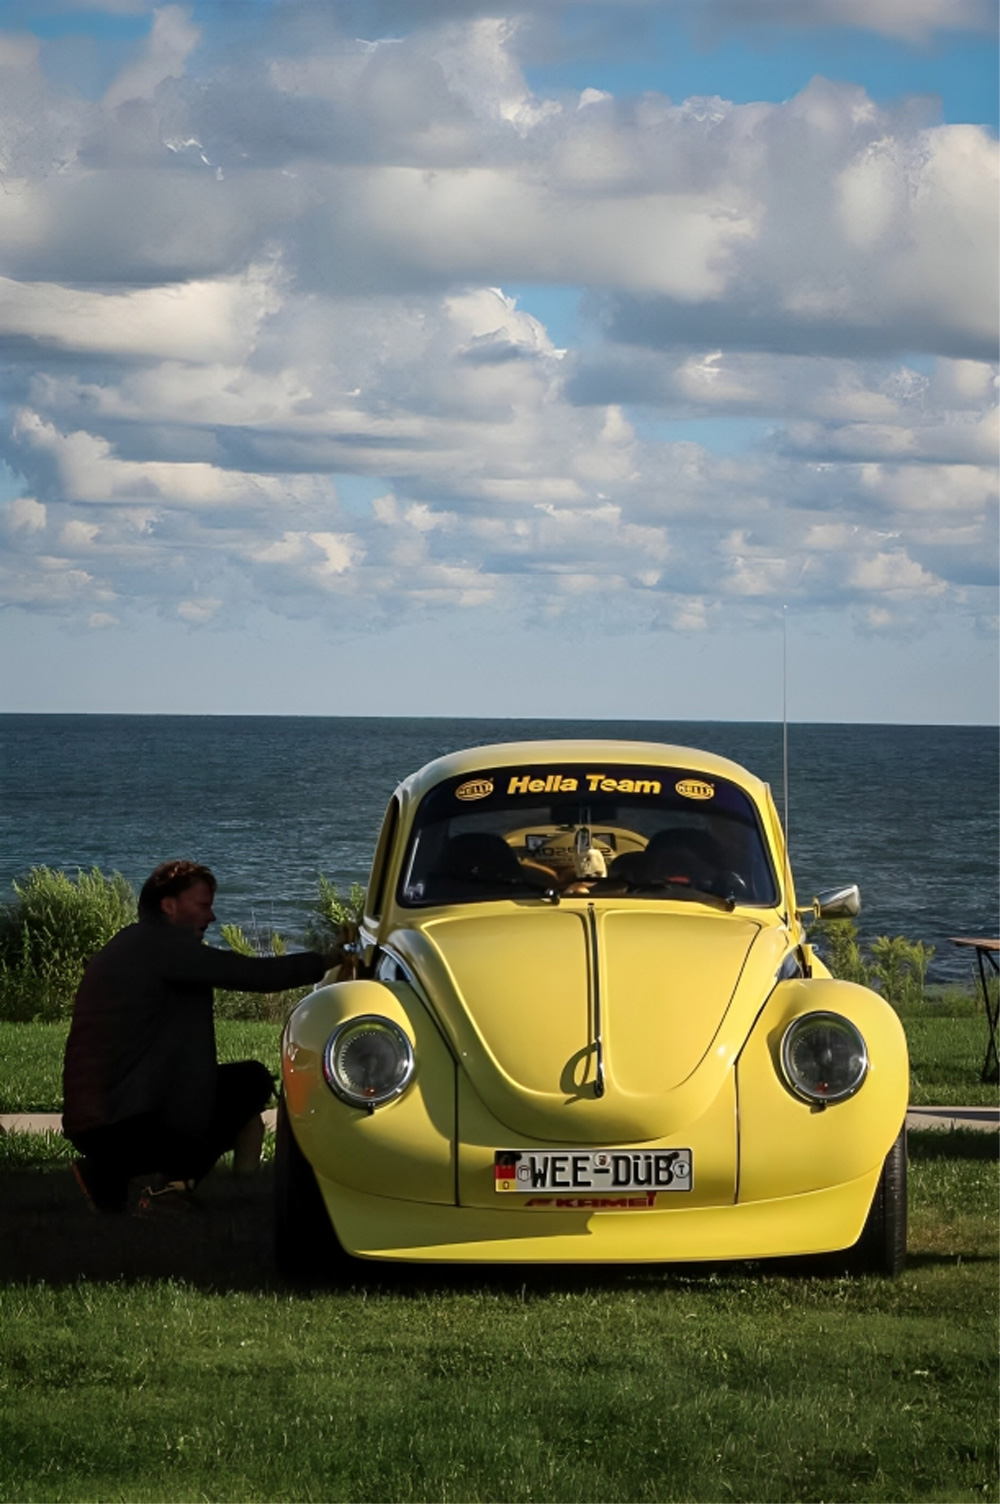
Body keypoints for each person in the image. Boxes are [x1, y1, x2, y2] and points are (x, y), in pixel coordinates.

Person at [62, 859, 335, 1214]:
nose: (211, 918)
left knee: (236, 1084)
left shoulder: (133, 943)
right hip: (122, 1123)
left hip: (101, 1120)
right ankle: (160, 1190)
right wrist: (329, 959)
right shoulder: (163, 947)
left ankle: (109, 1174)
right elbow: (251, 974)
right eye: (203, 905)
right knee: (248, 1083)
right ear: (169, 906)